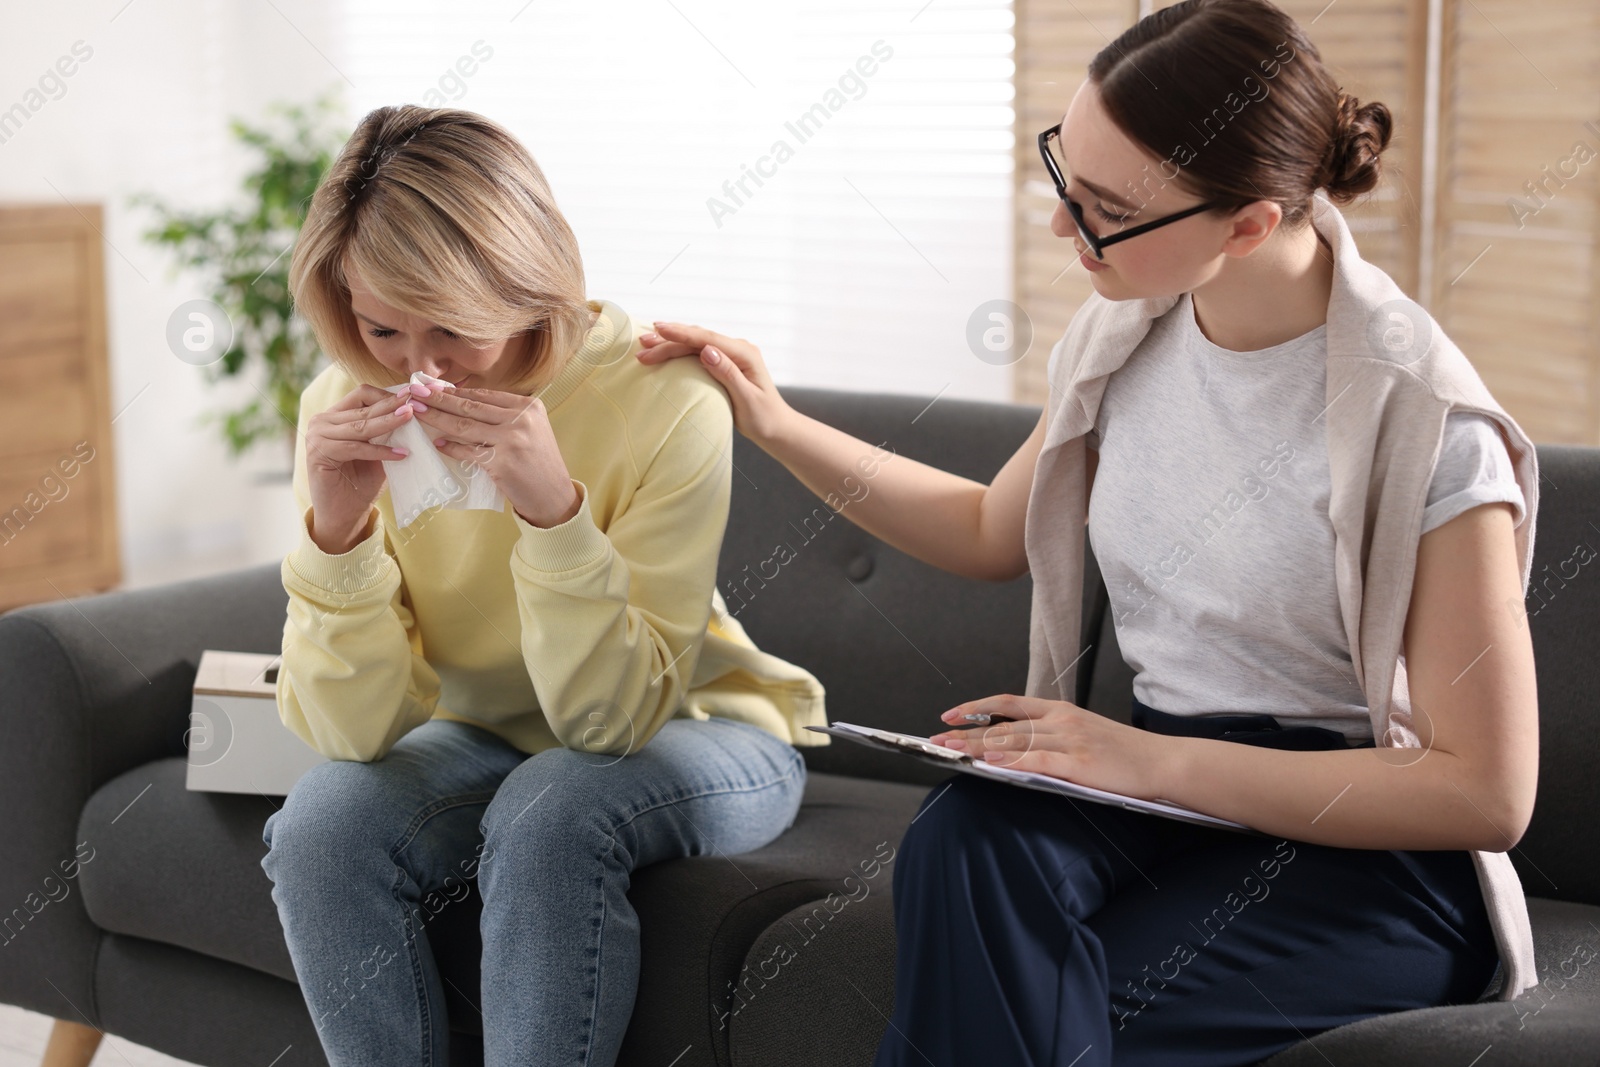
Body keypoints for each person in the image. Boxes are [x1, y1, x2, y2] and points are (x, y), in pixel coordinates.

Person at [634, 0, 1540, 1063]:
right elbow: (987, 529)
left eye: (1105, 206)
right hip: (1166, 795)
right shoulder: (1124, 334)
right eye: (1066, 173)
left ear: (1247, 223)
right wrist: (775, 423)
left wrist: (1148, 763)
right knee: (964, 840)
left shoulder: (1424, 420)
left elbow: (1483, 788)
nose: (1064, 226)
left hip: (1365, 845)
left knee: (1062, 1006)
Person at [258, 104, 829, 1067]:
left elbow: (609, 726)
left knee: (555, 801)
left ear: (525, 288)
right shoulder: (342, 405)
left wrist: (553, 512)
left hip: (701, 726)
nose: (421, 371)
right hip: (480, 737)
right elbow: (349, 735)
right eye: (383, 327)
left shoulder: (663, 398)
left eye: (454, 329)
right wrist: (338, 531)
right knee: (320, 822)